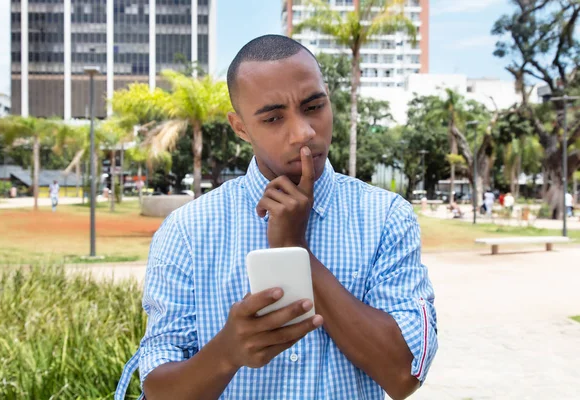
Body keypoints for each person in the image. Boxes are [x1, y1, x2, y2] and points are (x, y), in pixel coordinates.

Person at [115, 35, 437, 400]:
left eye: (314, 106)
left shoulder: (385, 217)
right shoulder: (188, 231)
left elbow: (402, 375)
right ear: (239, 127)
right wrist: (226, 353)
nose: (304, 132)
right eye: (273, 118)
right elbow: (158, 390)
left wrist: (294, 249)